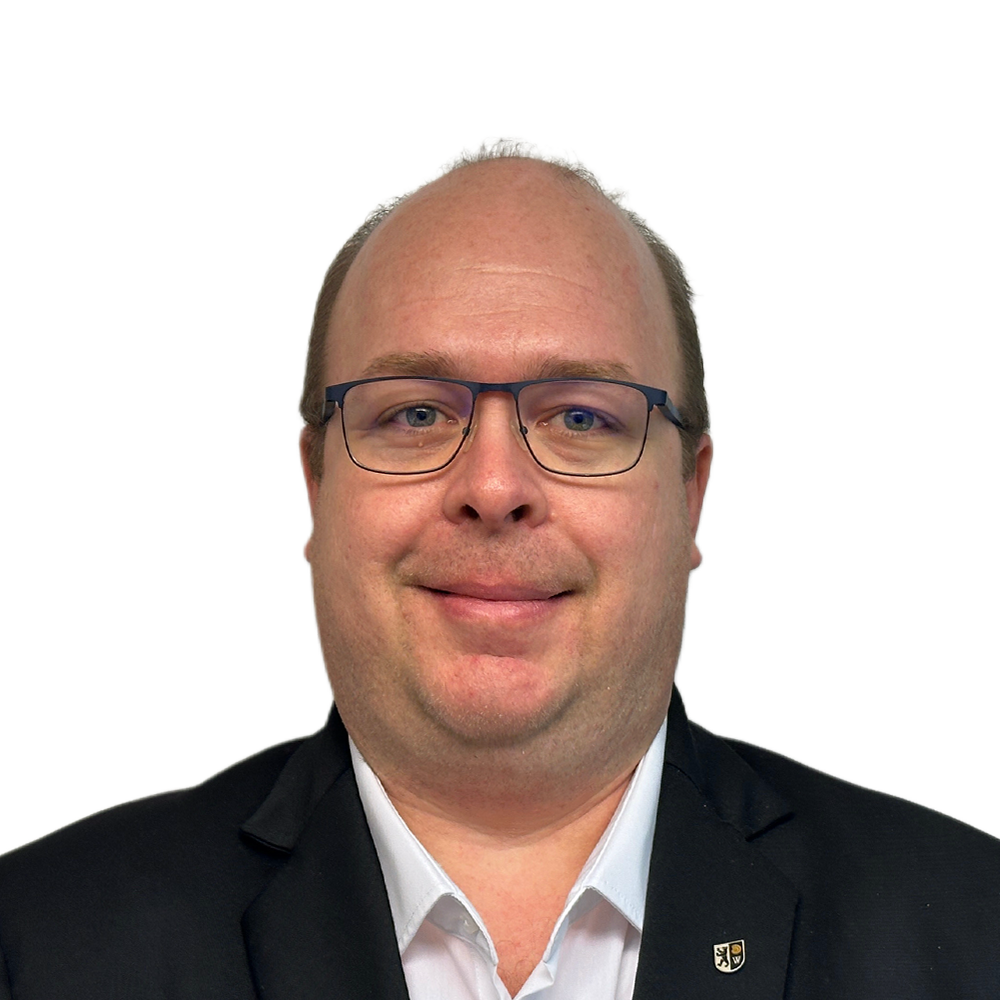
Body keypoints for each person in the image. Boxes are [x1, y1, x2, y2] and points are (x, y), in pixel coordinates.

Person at [0, 136, 997, 1000]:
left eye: (582, 418)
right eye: (413, 412)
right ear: (314, 483)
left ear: (690, 495)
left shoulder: (972, 930)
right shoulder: (38, 945)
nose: (492, 485)